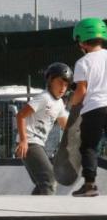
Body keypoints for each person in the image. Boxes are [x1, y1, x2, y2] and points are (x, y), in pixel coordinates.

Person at [15, 63, 72, 195]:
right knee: (50, 179)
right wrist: (23, 140)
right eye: (60, 83)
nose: (63, 88)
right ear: (50, 80)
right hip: (29, 142)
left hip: (38, 144)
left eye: (65, 85)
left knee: (43, 183)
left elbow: (66, 125)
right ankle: (45, 214)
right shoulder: (44, 97)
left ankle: (29, 212)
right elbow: (20, 115)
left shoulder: (59, 103)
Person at [70, 17, 107, 197]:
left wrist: (73, 102)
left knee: (89, 147)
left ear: (81, 40)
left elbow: (81, 90)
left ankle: (90, 185)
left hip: (94, 109)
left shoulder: (83, 62)